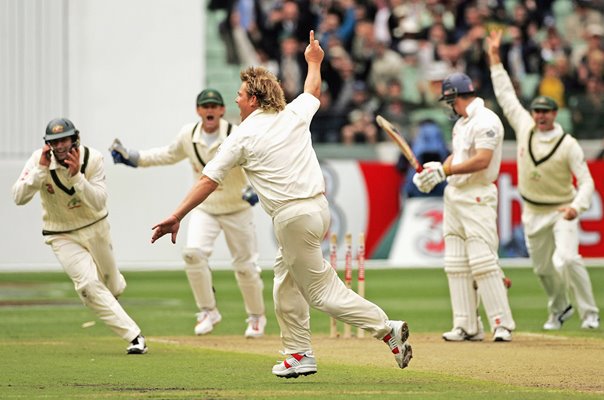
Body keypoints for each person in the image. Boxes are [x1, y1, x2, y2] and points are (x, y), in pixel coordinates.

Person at [150, 31, 412, 378]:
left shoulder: (240, 136)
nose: (236, 101)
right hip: (317, 210)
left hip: (292, 217)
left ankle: (385, 329)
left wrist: (175, 215)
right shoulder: (293, 114)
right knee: (286, 285)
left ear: (254, 100)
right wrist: (314, 62)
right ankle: (298, 352)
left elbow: (207, 180)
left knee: (321, 293)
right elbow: (312, 91)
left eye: (241, 95)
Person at [108, 89, 267, 338]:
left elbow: (255, 164)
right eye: (206, 106)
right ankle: (208, 311)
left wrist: (253, 190)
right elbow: (167, 154)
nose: (210, 110)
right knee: (193, 254)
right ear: (198, 110)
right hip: (205, 208)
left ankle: (256, 317)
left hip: (237, 208)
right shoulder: (189, 135)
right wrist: (134, 158)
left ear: (223, 110)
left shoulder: (236, 134)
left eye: (215, 105)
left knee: (246, 267)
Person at [486, 30, 600, 330]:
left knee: (569, 259)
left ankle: (590, 313)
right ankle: (560, 308)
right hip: (532, 211)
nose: (539, 116)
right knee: (543, 269)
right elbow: (507, 97)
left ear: (555, 113)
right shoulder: (525, 128)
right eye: (536, 111)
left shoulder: (568, 143)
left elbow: (587, 181)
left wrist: (577, 206)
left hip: (562, 208)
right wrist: (495, 57)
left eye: (546, 112)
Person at [12, 118, 147, 354]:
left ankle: (111, 289)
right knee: (87, 286)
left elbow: (98, 202)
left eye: (64, 140)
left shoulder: (93, 159)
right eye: (55, 142)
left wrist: (77, 177)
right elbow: (18, 197)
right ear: (48, 144)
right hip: (60, 233)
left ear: (75, 139)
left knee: (112, 286)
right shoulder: (38, 160)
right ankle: (134, 337)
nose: (61, 146)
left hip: (96, 227)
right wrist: (40, 171)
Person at [412, 72, 516, 342]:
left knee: (482, 261)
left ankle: (501, 324)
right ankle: (467, 326)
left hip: (477, 195)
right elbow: (458, 156)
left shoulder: (486, 121)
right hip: (455, 196)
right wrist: (436, 169)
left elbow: (482, 160)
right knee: (456, 263)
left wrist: (444, 171)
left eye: (450, 101)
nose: (450, 107)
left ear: (456, 97)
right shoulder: (463, 124)